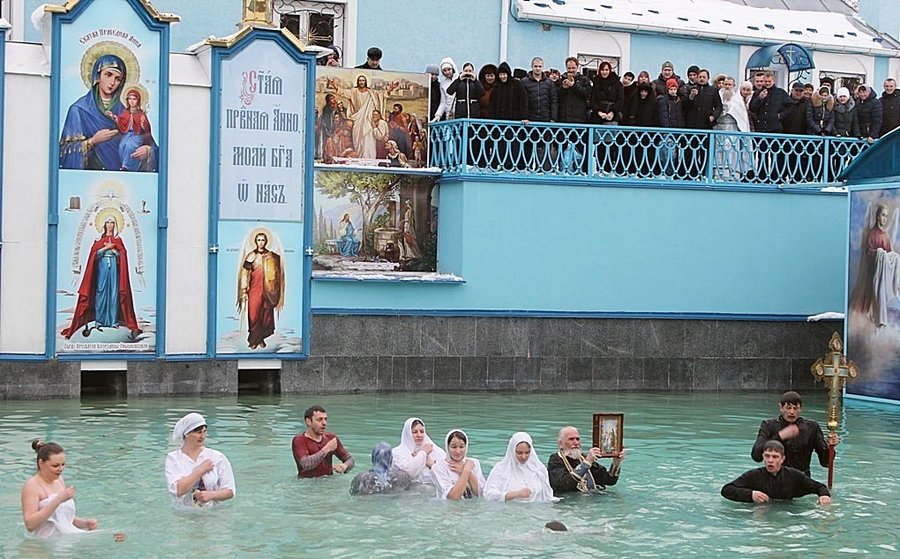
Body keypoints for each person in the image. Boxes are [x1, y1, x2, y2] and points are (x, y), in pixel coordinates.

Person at [59, 54, 156, 171]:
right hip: (90, 179)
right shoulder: (79, 110)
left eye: (118, 79)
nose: (112, 82)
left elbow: (151, 144)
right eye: (108, 75)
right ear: (98, 76)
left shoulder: (126, 112)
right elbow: (63, 154)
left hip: (125, 181)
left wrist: (148, 151)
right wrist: (92, 141)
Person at [60, 215, 141, 339]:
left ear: (115, 225)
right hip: (102, 269)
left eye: (112, 222)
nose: (110, 224)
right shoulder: (98, 240)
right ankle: (100, 320)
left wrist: (116, 253)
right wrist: (105, 248)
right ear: (104, 225)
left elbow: (122, 255)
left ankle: (112, 321)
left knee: (113, 294)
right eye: (107, 222)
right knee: (101, 292)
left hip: (113, 269)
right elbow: (94, 255)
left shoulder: (118, 240)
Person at [21, 439, 98, 538]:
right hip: (42, 544)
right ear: (41, 463)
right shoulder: (32, 486)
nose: (60, 469)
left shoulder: (59, 480)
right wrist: (58, 500)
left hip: (65, 541)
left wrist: (85, 523)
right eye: (55, 465)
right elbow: (30, 525)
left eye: (63, 464)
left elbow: (61, 517)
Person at [751, 391, 837, 477]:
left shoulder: (812, 427)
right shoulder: (769, 425)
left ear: (800, 408)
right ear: (781, 407)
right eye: (788, 408)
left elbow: (826, 463)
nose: (792, 412)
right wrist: (780, 436)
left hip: (802, 479)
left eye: (795, 408)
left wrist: (829, 447)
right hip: (776, 478)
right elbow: (756, 456)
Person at [723, 441, 832, 505]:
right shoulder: (753, 475)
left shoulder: (794, 475)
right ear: (763, 457)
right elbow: (726, 490)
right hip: (760, 512)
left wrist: (824, 496)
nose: (770, 460)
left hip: (788, 510)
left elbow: (819, 487)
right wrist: (751, 495)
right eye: (767, 456)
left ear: (782, 459)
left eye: (775, 457)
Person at [165, 413, 236, 507]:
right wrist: (199, 471)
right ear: (186, 434)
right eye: (198, 432)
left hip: (214, 515)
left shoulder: (217, 457)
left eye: (204, 431)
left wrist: (212, 495)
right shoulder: (173, 458)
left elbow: (230, 491)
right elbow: (177, 491)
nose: (202, 436)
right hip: (183, 515)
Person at [326, 75, 398, 159]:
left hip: (368, 121)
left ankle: (370, 159)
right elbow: (342, 92)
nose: (361, 82)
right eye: (360, 80)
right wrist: (333, 84)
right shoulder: (354, 91)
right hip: (358, 120)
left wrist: (392, 88)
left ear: (365, 82)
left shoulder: (371, 93)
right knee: (357, 140)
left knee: (369, 140)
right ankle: (360, 158)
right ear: (357, 82)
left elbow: (382, 94)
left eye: (363, 80)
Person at [849, 203, 898, 326]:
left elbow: (890, 253)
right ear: (877, 217)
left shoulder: (885, 236)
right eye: (883, 215)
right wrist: (879, 253)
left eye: (886, 216)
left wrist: (890, 256)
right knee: (878, 288)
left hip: (884, 272)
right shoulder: (872, 233)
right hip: (874, 272)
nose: (885, 219)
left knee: (896, 257)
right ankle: (879, 318)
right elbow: (869, 253)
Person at [238, 231, 284, 350]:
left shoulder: (272, 257)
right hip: (254, 289)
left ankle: (261, 338)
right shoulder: (251, 256)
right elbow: (245, 273)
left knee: (266, 315)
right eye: (258, 240)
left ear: (266, 241)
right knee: (254, 315)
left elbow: (278, 275)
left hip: (268, 290)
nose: (261, 242)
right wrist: (244, 289)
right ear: (255, 241)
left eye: (263, 240)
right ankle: (254, 339)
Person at [547, 426, 624, 495]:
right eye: (571, 439)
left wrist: (616, 463)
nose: (576, 443)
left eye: (578, 439)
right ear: (560, 444)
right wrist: (586, 463)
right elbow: (564, 485)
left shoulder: (583, 457)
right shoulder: (555, 460)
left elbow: (610, 481)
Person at [484, 432, 557, 503]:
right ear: (512, 451)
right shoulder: (500, 469)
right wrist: (515, 494)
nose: (524, 457)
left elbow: (548, 496)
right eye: (519, 453)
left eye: (527, 452)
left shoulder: (539, 470)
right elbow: (488, 494)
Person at [292, 405, 354, 478]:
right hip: (307, 483)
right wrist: (326, 449)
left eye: (325, 419)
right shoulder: (299, 440)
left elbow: (350, 459)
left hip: (329, 482)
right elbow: (306, 464)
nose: (324, 423)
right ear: (308, 421)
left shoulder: (331, 438)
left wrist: (345, 466)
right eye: (319, 419)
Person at [431, 429, 486, 500]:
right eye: (454, 447)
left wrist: (469, 473)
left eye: (461, 447)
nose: (458, 451)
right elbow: (453, 497)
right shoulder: (438, 467)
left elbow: (481, 493)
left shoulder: (473, 463)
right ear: (447, 447)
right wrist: (466, 470)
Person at [392, 417, 446, 485]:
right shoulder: (397, 453)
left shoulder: (436, 452)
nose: (419, 435)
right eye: (414, 432)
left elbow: (447, 474)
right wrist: (423, 453)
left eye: (422, 431)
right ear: (408, 434)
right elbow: (410, 471)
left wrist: (430, 463)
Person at [349, 442, 413, 495]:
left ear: (373, 458)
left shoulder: (360, 478)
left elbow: (353, 496)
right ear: (390, 458)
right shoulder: (403, 477)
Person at [114, 87, 154, 171]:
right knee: (122, 146)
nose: (132, 101)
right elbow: (121, 122)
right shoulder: (125, 112)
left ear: (138, 100)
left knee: (130, 146)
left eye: (134, 99)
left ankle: (128, 166)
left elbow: (146, 128)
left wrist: (143, 124)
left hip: (137, 135)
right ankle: (124, 163)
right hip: (127, 134)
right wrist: (115, 118)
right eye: (130, 99)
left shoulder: (141, 113)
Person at [556, 56, 591, 124]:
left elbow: (587, 94)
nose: (571, 70)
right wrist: (563, 88)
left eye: (573, 68)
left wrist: (574, 86)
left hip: (579, 119)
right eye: (569, 68)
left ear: (577, 67)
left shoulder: (584, 80)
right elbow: (555, 96)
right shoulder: (560, 80)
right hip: (563, 118)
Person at [431, 57, 458, 122]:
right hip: (449, 115)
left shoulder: (459, 79)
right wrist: (438, 115)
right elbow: (443, 102)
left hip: (459, 113)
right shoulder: (443, 84)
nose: (447, 72)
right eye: (445, 70)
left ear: (453, 68)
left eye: (449, 69)